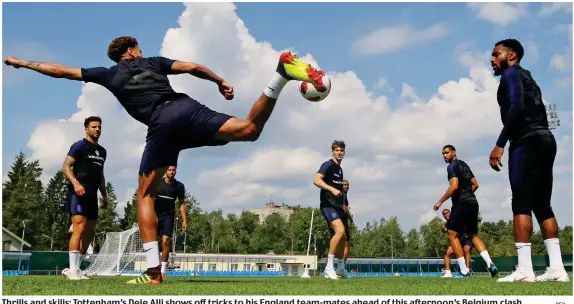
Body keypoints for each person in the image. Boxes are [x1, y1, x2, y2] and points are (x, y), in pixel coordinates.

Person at [4, 36, 325, 284]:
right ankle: (280, 75)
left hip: (163, 123)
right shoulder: (152, 63)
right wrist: (218, 81)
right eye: (138, 47)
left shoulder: (108, 74)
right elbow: (191, 67)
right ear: (129, 50)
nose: (141, 51)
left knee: (144, 193)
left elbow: (60, 71)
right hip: (188, 109)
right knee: (250, 129)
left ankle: (154, 269)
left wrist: (24, 63)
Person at [489, 39, 569, 282]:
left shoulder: (511, 74)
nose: (492, 59)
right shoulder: (528, 76)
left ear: (511, 55)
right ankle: (557, 268)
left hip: (526, 141)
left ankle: (524, 270)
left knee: (521, 202)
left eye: (496, 54)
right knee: (543, 204)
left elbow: (516, 107)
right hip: (545, 138)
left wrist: (500, 143)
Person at [434, 145, 498, 278]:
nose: (444, 156)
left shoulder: (452, 167)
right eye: (443, 154)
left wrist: (440, 201)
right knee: (472, 235)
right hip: (473, 202)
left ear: (454, 153)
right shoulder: (465, 165)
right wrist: (468, 194)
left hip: (461, 203)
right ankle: (490, 264)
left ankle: (464, 270)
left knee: (452, 234)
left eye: (446, 153)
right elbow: (475, 184)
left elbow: (454, 186)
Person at [61, 116, 108, 280]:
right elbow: (65, 166)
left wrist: (104, 195)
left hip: (92, 196)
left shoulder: (102, 151)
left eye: (99, 127)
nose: (97, 130)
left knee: (89, 233)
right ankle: (72, 271)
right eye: (94, 127)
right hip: (78, 193)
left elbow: (100, 175)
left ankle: (77, 269)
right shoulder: (79, 146)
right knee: (79, 229)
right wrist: (76, 183)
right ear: (86, 129)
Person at [313, 140, 350, 280]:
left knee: (342, 237)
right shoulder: (327, 165)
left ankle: (340, 267)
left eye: (342, 150)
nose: (339, 153)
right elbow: (316, 180)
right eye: (337, 150)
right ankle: (329, 268)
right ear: (333, 151)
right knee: (339, 231)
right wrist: (331, 189)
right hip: (327, 206)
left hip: (338, 207)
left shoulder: (340, 170)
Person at [154, 165, 187, 280]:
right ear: (165, 171)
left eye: (174, 170)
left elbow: (181, 204)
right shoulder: (157, 182)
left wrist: (184, 220)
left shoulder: (179, 186)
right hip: (155, 215)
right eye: (170, 170)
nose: (172, 172)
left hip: (168, 216)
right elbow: (149, 198)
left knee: (165, 241)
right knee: (153, 243)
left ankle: (162, 271)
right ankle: (154, 268)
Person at [440, 208, 472, 278]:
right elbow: (446, 231)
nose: (445, 215)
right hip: (457, 242)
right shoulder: (446, 225)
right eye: (444, 214)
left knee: (466, 250)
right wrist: (444, 229)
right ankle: (448, 273)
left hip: (465, 238)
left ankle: (467, 270)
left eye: (447, 213)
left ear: (450, 213)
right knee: (447, 254)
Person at [341, 180, 355, 266]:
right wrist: (351, 219)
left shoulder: (339, 194)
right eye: (344, 185)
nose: (346, 186)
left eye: (348, 185)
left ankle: (336, 267)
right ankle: (341, 267)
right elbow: (344, 208)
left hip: (337, 221)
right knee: (346, 245)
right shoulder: (343, 195)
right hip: (342, 221)